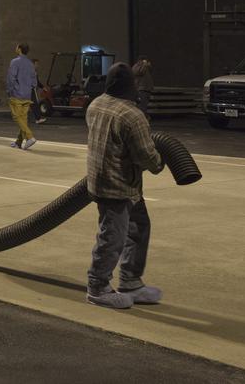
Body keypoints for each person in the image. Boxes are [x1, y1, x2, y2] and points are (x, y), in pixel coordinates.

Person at [84, 62, 165, 309]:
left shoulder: (96, 104)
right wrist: (159, 162)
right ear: (133, 88)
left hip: (105, 180)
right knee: (113, 236)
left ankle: (131, 281)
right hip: (117, 186)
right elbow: (147, 157)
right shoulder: (132, 115)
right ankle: (97, 287)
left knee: (138, 226)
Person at [6, 42, 39, 150]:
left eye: (16, 46)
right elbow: (34, 81)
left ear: (19, 49)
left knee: (17, 117)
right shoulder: (30, 63)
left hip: (17, 94)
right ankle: (18, 142)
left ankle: (30, 137)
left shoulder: (15, 62)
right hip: (27, 94)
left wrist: (10, 90)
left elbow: (11, 78)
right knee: (23, 118)